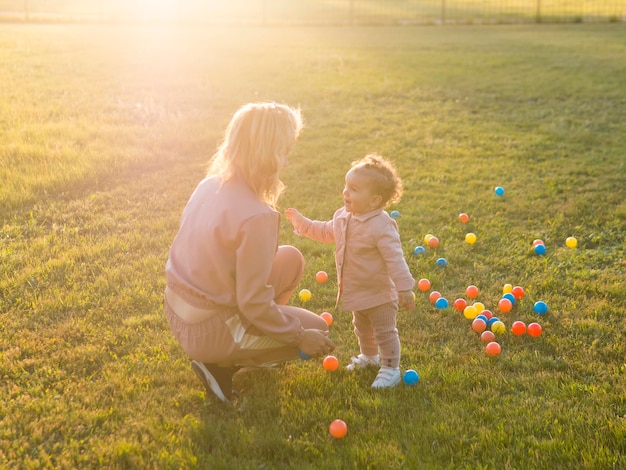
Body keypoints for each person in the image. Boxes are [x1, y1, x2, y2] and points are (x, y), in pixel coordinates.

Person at [164, 102, 335, 403]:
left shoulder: (209, 184)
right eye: (287, 148)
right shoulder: (257, 216)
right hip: (209, 329)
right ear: (272, 154)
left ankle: (253, 341)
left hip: (178, 309)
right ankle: (221, 364)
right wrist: (297, 337)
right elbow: (253, 300)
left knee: (290, 259)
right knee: (316, 329)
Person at [285, 154, 415, 389]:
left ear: (374, 201)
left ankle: (390, 368)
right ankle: (369, 357)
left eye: (354, 189)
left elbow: (395, 258)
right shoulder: (343, 217)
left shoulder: (381, 226)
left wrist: (405, 288)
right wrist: (303, 224)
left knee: (385, 331)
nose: (346, 192)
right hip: (357, 290)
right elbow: (325, 231)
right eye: (346, 186)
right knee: (362, 328)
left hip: (380, 293)